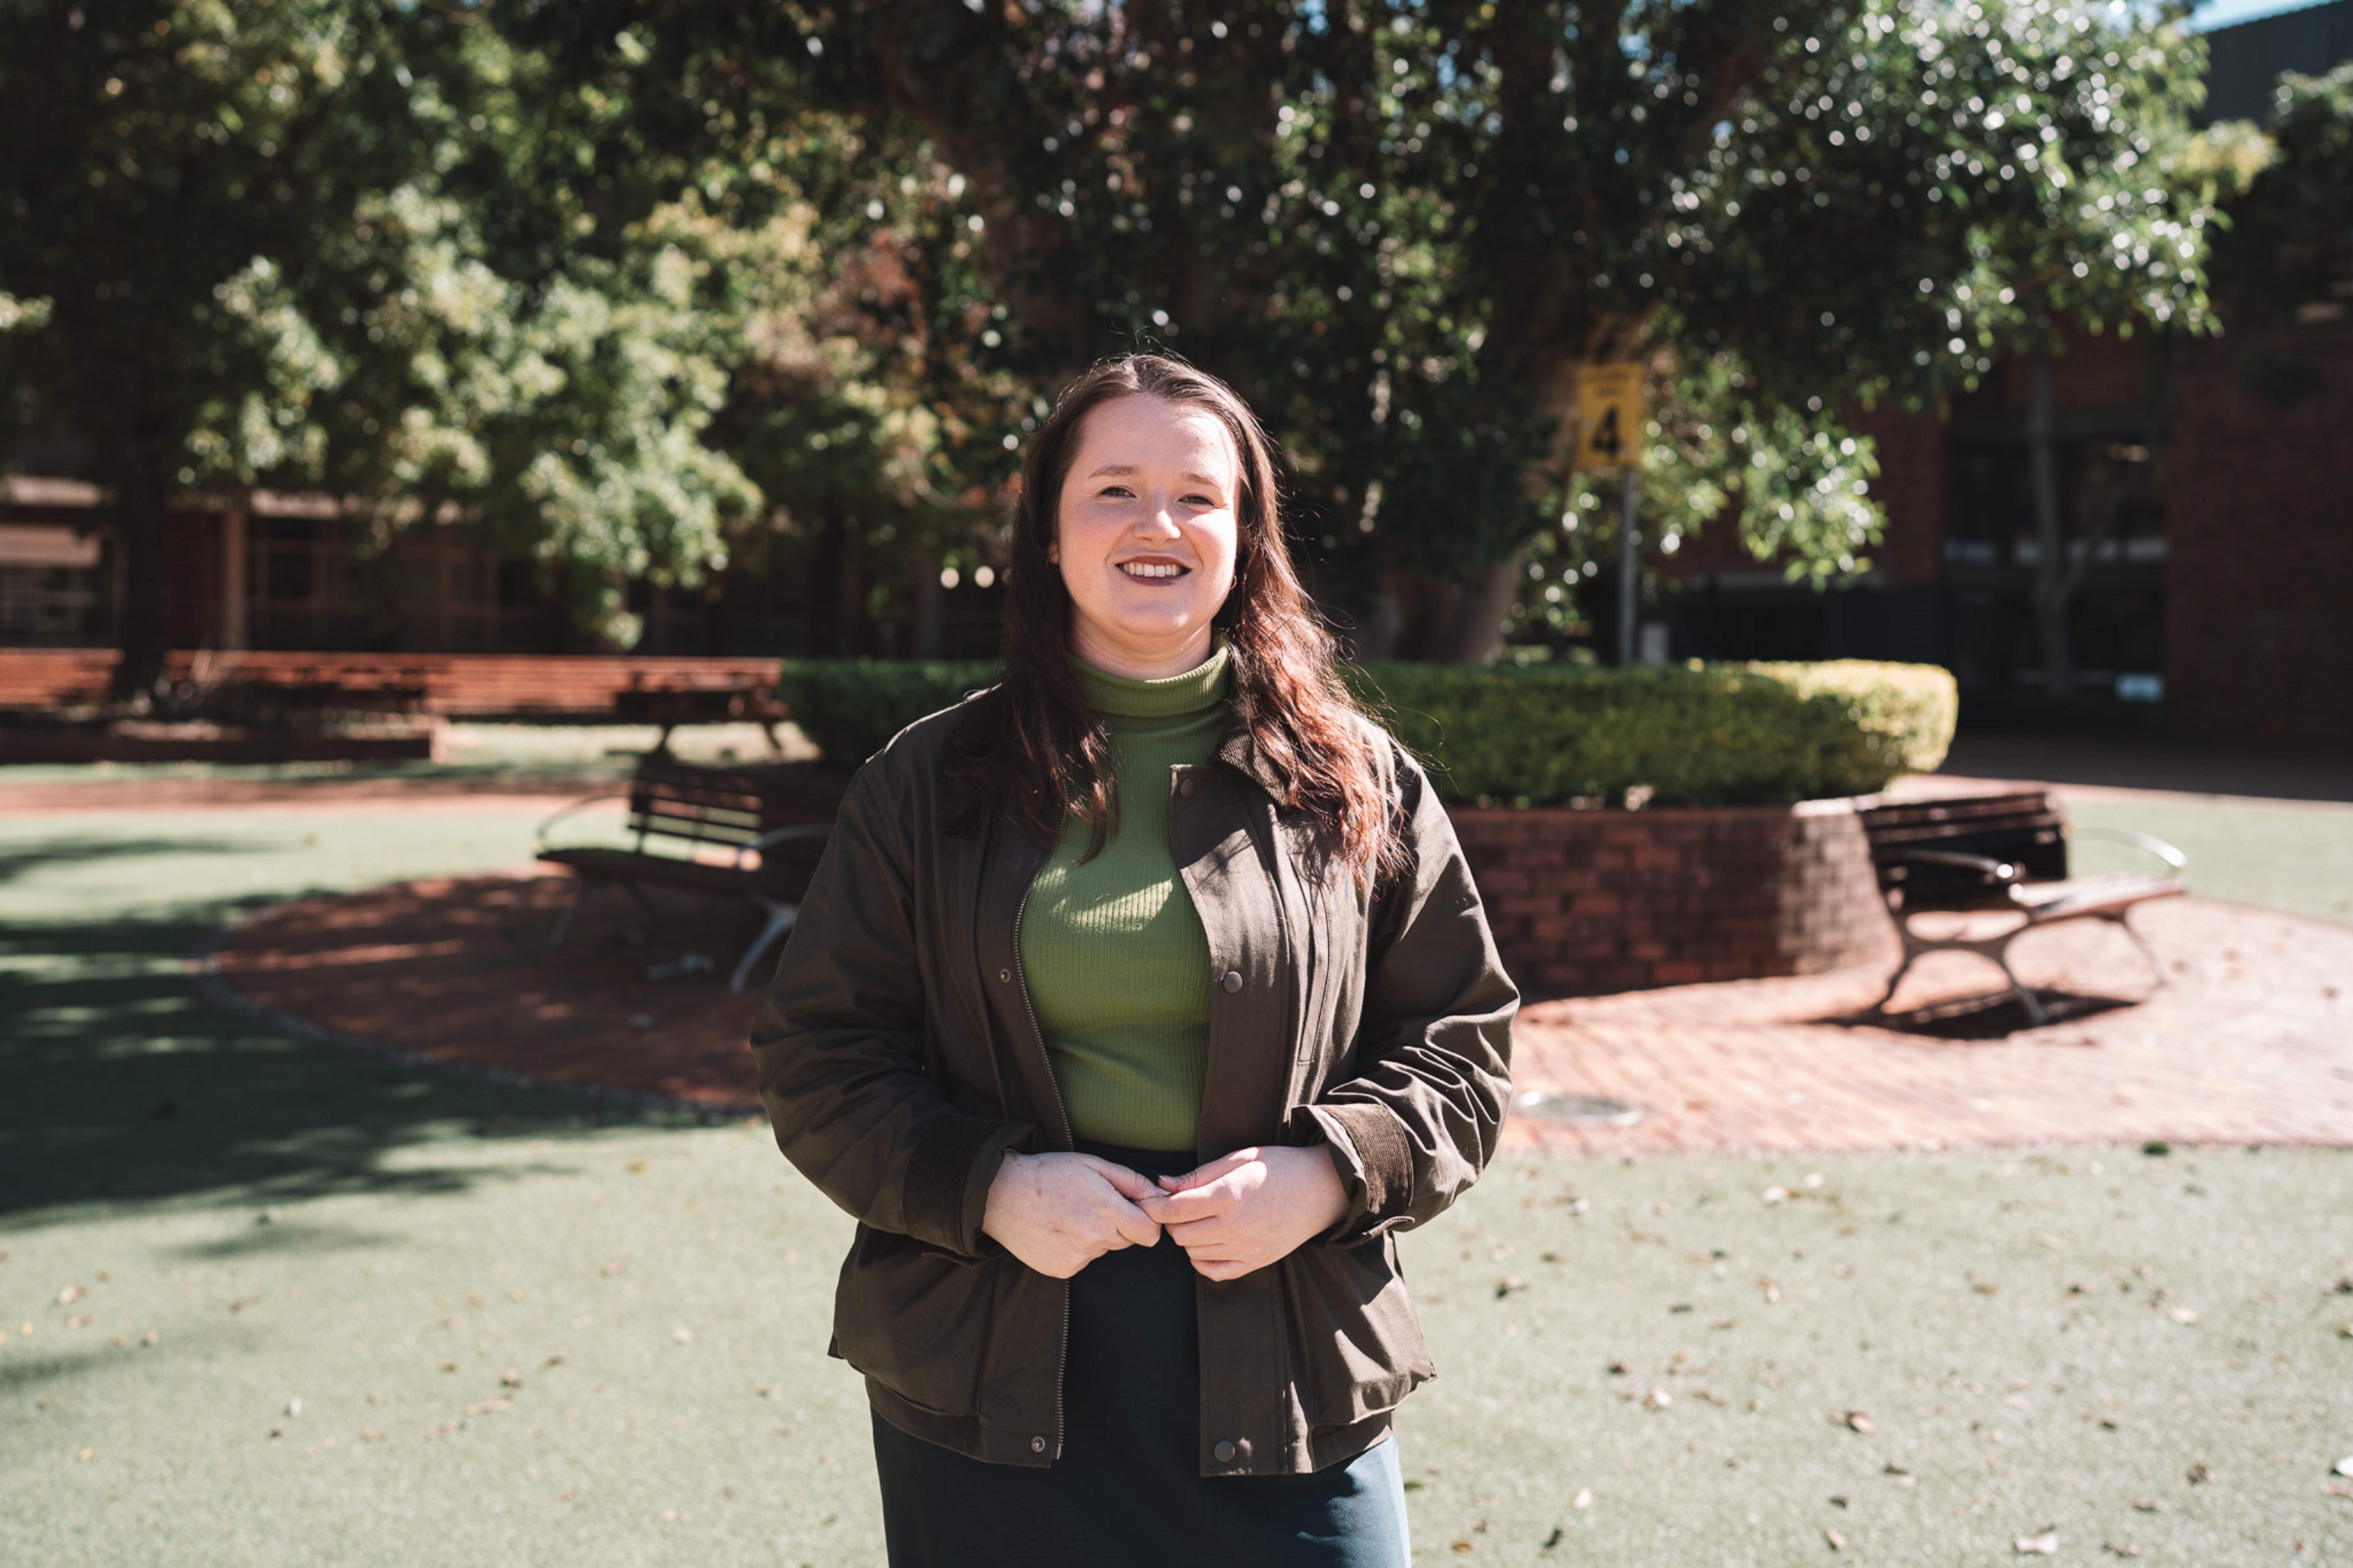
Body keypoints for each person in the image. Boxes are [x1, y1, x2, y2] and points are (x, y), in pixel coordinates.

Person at [751, 352, 1515, 1567]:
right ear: (1049, 536)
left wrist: (1331, 1173)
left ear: (1245, 538)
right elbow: (819, 1059)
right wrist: (989, 1188)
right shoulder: (925, 783)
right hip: (992, 1366)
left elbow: (1461, 1050)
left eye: (1198, 496)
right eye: (1114, 490)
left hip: (1291, 1354)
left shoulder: (1356, 781)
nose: (1157, 523)